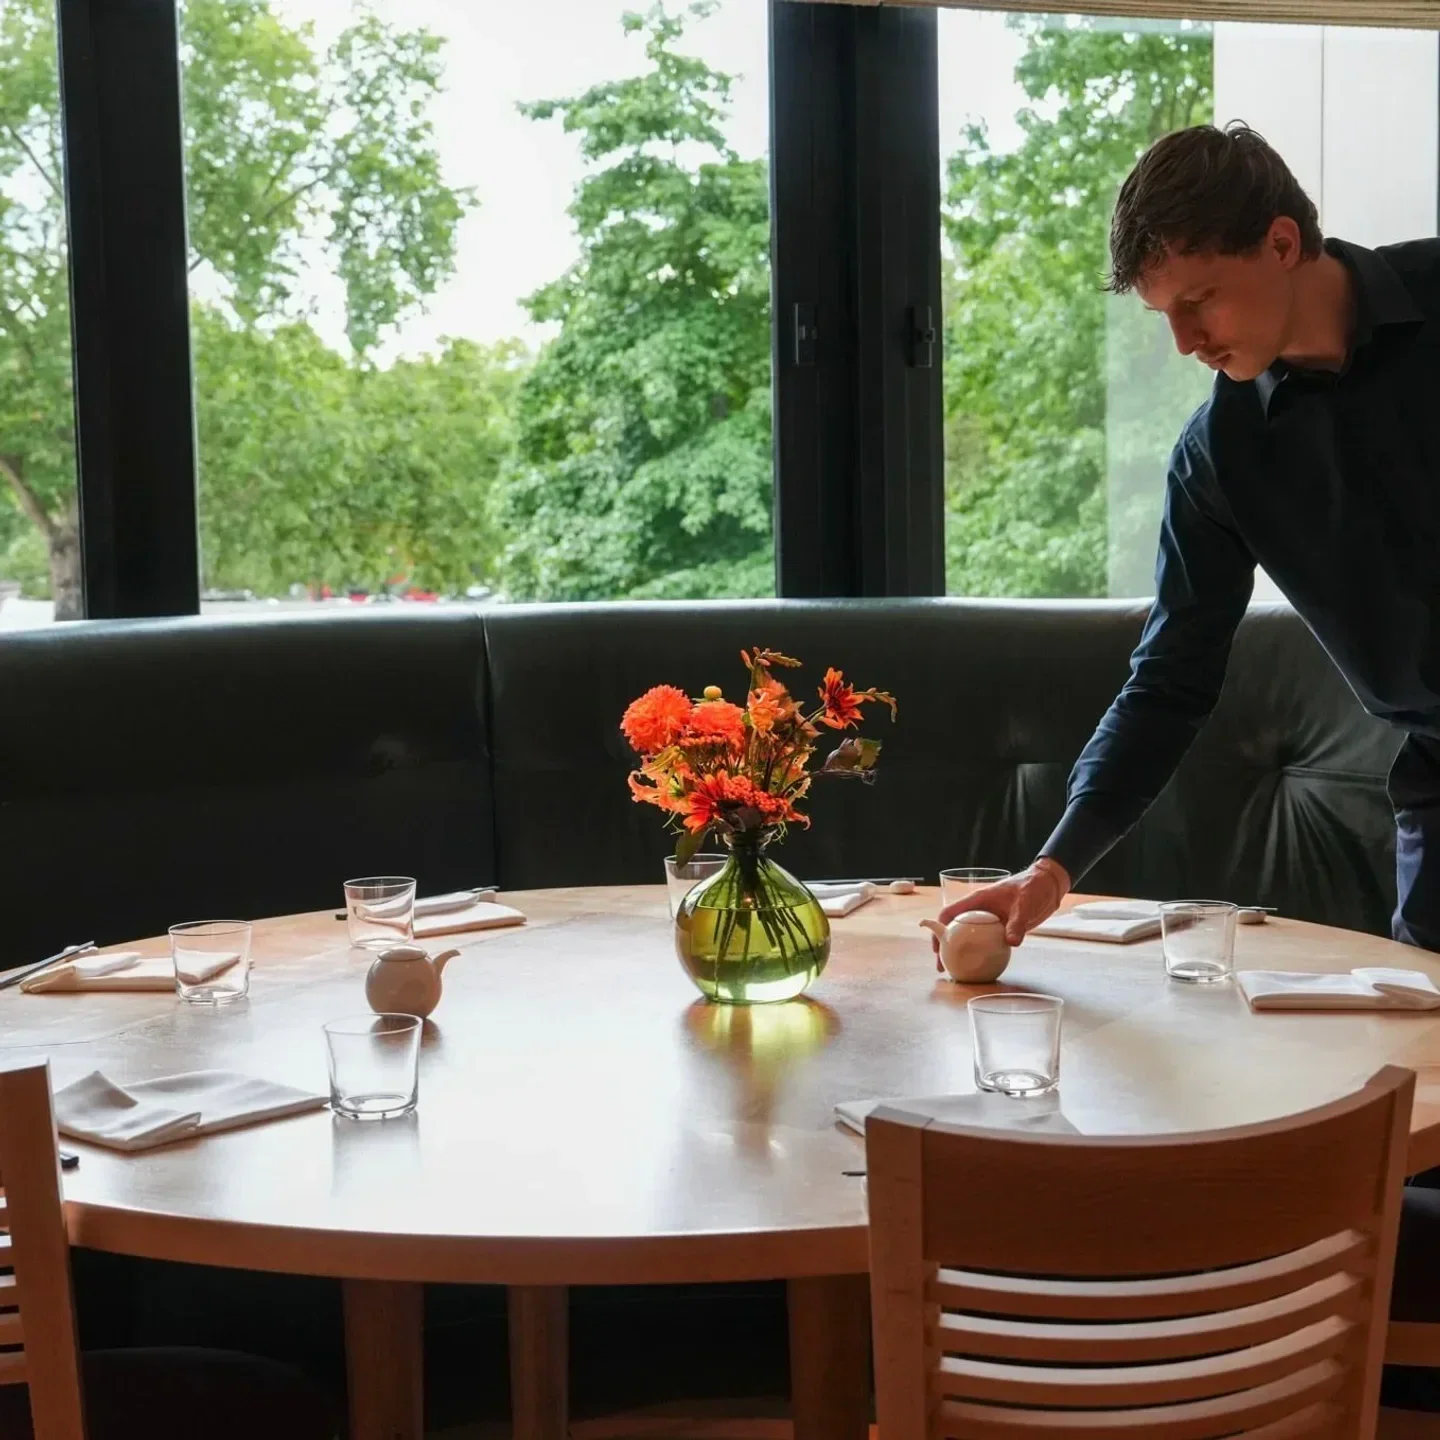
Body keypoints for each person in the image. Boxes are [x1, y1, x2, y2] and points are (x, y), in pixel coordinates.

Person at [944, 122, 1440, 955]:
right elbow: (1170, 680)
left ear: (1282, 243)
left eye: (1198, 300)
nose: (1184, 342)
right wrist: (1055, 866)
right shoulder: (1217, 461)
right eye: (1163, 315)